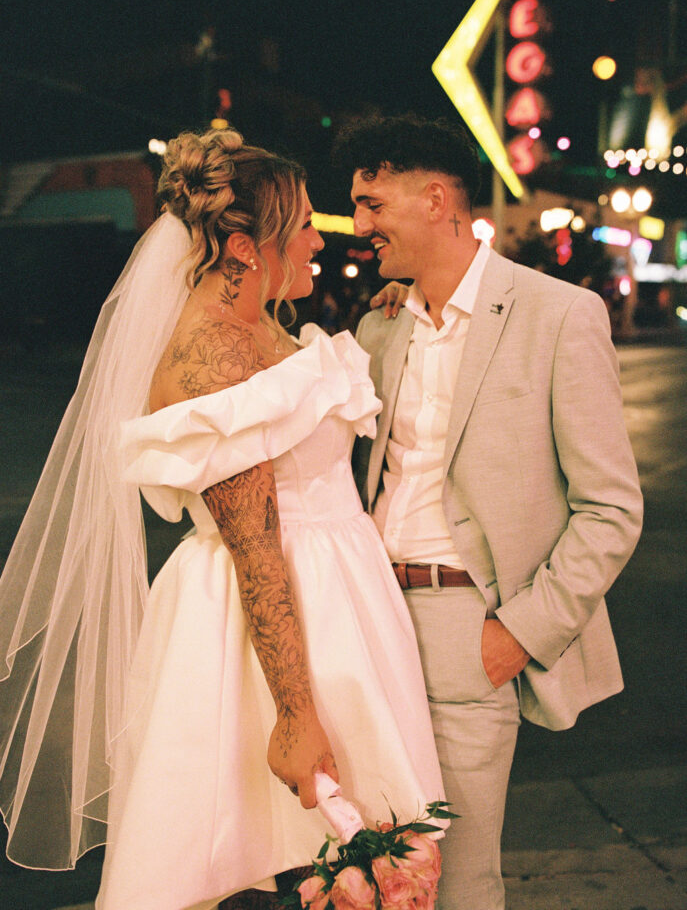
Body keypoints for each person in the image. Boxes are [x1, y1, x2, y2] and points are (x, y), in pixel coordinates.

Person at [0, 127, 445, 910]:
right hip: (265, 633)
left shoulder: (260, 327)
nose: (318, 236)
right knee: (270, 855)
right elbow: (256, 545)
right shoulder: (211, 353)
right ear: (243, 243)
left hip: (336, 603)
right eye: (303, 222)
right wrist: (297, 716)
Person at [333, 113, 644, 910]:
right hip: (366, 624)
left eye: (372, 204)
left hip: (465, 630)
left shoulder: (556, 315)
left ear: (434, 198)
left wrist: (520, 631)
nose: (359, 225)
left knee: (460, 880)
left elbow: (608, 508)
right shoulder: (379, 325)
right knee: (369, 873)